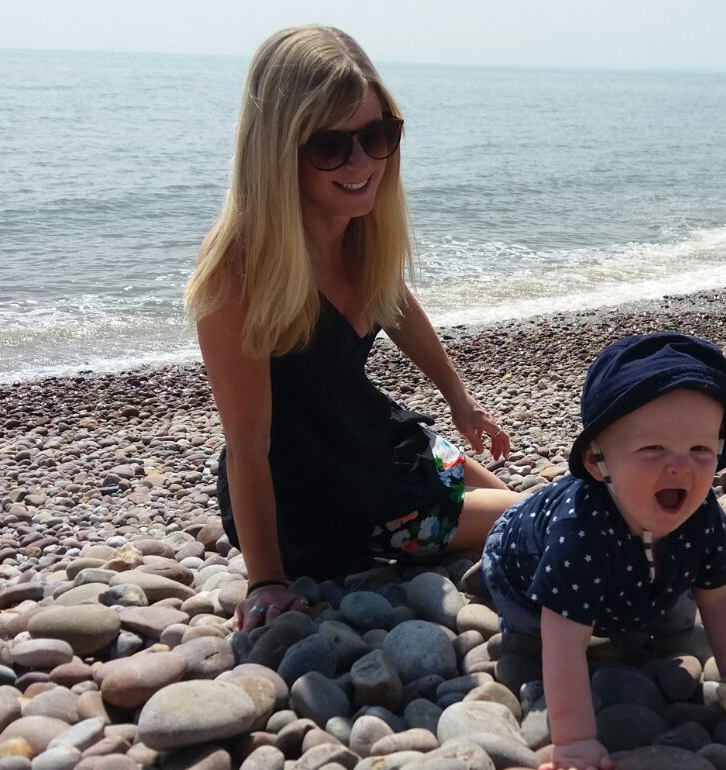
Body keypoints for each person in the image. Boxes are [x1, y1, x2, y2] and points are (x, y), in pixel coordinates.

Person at [184, 25, 518, 632]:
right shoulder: (240, 265)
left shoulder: (356, 230)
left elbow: (396, 304)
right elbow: (249, 445)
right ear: (279, 149)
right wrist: (266, 580)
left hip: (376, 443)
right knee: (534, 519)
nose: (362, 162)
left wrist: (459, 399)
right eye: (331, 146)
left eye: (376, 135)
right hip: (322, 501)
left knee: (538, 510)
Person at [480, 332, 726, 770]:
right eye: (654, 449)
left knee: (678, 615)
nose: (680, 467)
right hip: (521, 568)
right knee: (537, 630)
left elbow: (722, 596)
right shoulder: (581, 529)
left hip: (635, 570)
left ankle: (630, 601)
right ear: (598, 461)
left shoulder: (701, 512)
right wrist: (575, 740)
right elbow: (563, 639)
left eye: (700, 450)